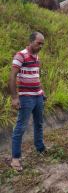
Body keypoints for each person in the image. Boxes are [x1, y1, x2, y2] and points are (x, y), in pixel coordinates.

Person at [9, 31, 46, 171]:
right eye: (39, 43)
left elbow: (36, 76)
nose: (41, 46)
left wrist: (42, 92)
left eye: (42, 44)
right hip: (26, 98)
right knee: (20, 127)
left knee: (39, 123)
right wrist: (14, 97)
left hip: (38, 96)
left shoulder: (37, 56)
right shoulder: (20, 55)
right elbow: (12, 77)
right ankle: (15, 159)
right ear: (31, 41)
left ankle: (40, 148)